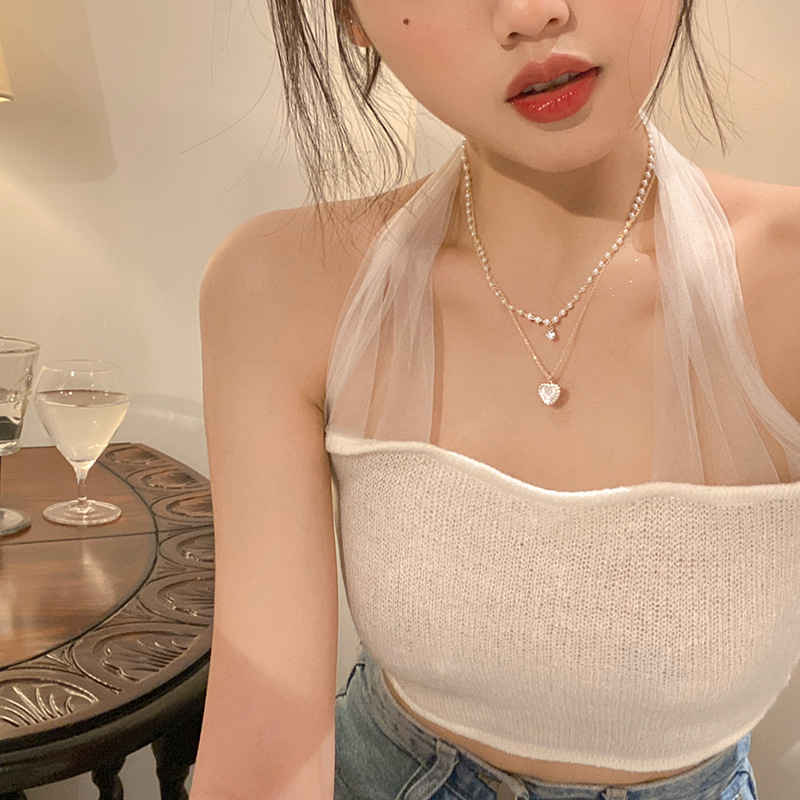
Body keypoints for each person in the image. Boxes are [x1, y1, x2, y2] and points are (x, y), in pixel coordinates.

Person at [191, 0, 800, 797]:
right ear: (351, 17)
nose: (530, 13)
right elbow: (265, 751)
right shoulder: (281, 288)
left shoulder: (784, 280)